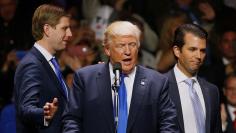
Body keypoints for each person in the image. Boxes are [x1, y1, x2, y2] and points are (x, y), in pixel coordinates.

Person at [62, 21, 178, 133]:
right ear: (107, 50)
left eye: (132, 45)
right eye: (121, 45)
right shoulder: (86, 79)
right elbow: (72, 120)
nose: (127, 51)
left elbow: (168, 123)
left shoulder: (157, 82)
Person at [14, 4, 72, 133]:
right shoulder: (32, 64)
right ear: (47, 29)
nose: (70, 34)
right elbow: (26, 108)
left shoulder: (50, 62)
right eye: (65, 28)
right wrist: (44, 114)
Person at [165, 24, 222, 133]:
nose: (199, 56)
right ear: (177, 51)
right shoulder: (160, 87)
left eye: (202, 51)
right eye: (192, 49)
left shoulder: (212, 91)